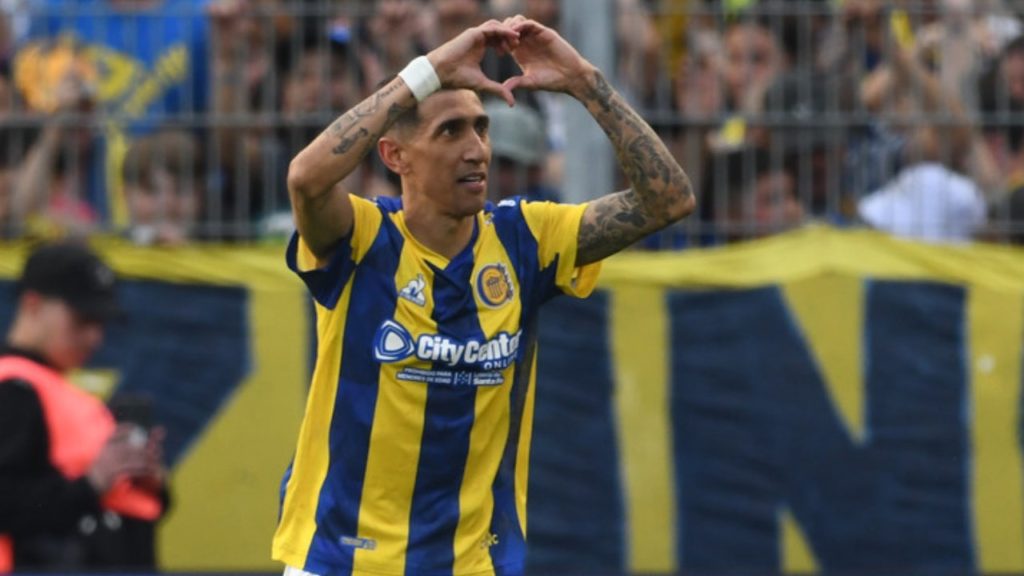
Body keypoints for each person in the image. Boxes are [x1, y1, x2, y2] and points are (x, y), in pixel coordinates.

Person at [273, 15, 694, 576]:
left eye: (481, 128)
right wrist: (428, 71)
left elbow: (668, 200)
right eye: (451, 132)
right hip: (340, 559)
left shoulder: (527, 239)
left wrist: (587, 83)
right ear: (395, 156)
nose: (476, 149)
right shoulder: (362, 237)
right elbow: (305, 179)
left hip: (470, 562)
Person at [0, 240, 167, 571]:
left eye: (100, 323)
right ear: (33, 305)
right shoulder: (14, 387)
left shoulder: (55, 387)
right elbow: (8, 501)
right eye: (82, 319)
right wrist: (92, 483)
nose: (94, 337)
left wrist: (146, 477)